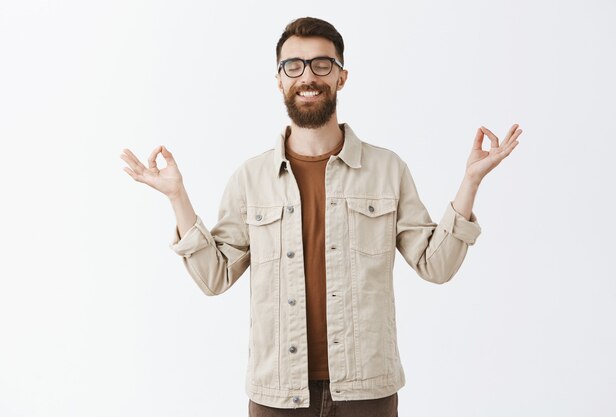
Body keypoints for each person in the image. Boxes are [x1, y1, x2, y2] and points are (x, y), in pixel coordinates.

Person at [120, 16, 522, 417]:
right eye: (293, 65)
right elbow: (214, 276)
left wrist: (470, 182)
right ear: (279, 79)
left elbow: (436, 266)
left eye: (321, 64)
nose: (307, 76)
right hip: (277, 394)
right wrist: (177, 196)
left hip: (367, 393)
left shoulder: (387, 170)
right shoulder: (251, 178)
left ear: (341, 77)